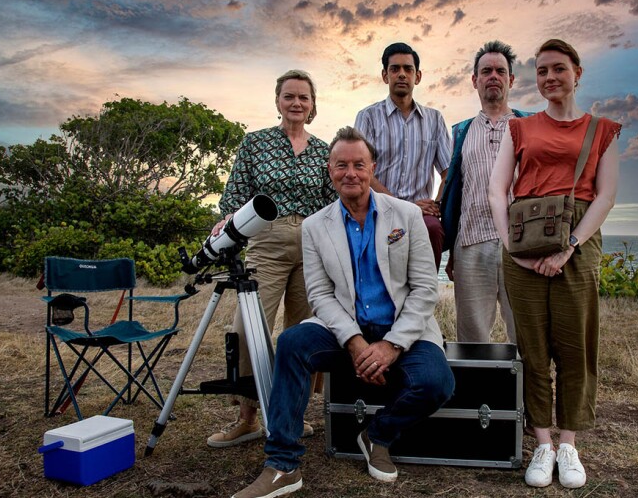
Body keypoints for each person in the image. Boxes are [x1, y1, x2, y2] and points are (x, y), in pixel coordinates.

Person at [232, 127, 454, 498]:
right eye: (341, 165)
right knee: (293, 342)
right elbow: (320, 295)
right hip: (345, 329)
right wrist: (355, 344)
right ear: (329, 169)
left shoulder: (407, 216)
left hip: (403, 330)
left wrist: (391, 346)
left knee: (437, 383)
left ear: (372, 168)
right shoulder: (316, 226)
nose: (350, 173)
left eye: (358, 164)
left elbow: (424, 289)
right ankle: (283, 465)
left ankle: (377, 434)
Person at [488, 39, 621, 489]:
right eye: (542, 70)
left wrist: (570, 247)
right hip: (525, 238)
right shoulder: (520, 129)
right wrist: (511, 247)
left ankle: (569, 443)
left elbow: (605, 196)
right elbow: (496, 190)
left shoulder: (601, 129)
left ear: (577, 73)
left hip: (577, 239)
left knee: (575, 347)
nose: (549, 77)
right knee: (531, 347)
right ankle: (542, 442)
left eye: (558, 69)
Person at [208, 69, 337, 448]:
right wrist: (226, 227)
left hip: (313, 243)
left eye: (304, 97)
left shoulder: (323, 151)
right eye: (289, 96)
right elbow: (233, 198)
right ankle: (247, 418)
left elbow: (333, 204)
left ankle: (290, 415)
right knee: (249, 326)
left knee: (303, 331)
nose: (296, 103)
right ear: (278, 100)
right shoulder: (255, 143)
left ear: (313, 105)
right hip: (265, 240)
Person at [440, 40, 531, 343]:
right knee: (472, 337)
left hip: (520, 244)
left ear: (511, 80)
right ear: (474, 80)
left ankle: (525, 392)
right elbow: (455, 193)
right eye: (486, 71)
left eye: (500, 71)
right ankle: (477, 393)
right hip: (470, 244)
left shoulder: (529, 126)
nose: (493, 76)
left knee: (525, 335)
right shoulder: (460, 132)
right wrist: (452, 250)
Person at [354, 42, 452, 269]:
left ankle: (425, 295)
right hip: (377, 209)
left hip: (420, 216)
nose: (401, 74)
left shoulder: (434, 120)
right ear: (384, 75)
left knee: (434, 229)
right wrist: (403, 206)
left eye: (407, 69)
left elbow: (448, 172)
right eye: (395, 69)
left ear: (417, 77)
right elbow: (362, 170)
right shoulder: (368, 117)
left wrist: (435, 204)